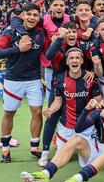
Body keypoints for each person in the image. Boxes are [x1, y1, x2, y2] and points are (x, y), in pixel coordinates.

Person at [21, 82, 104, 182]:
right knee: (76, 138)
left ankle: (78, 179)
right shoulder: (101, 110)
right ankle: (45, 174)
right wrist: (86, 109)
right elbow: (79, 128)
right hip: (103, 153)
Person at [0, 3, 48, 163]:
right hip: (12, 79)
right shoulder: (9, 31)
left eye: (35, 15)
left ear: (39, 17)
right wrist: (18, 49)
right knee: (9, 113)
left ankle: (34, 147)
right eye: (28, 14)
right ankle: (5, 149)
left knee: (37, 112)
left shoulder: (41, 31)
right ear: (23, 15)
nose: (31, 18)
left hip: (34, 79)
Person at [38, 22, 94, 166]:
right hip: (59, 85)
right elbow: (49, 55)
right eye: (68, 32)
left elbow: (92, 60)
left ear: (77, 33)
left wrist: (92, 72)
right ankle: (45, 153)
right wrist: (58, 38)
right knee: (52, 116)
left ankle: (92, 144)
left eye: (74, 32)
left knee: (87, 112)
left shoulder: (82, 46)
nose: (71, 34)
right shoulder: (59, 46)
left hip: (80, 84)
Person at [43, 47, 102, 150]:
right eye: (71, 58)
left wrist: (95, 104)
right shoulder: (60, 79)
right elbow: (58, 101)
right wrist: (50, 110)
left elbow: (99, 100)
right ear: (67, 61)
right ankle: (59, 138)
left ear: (82, 60)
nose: (74, 60)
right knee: (61, 155)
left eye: (77, 58)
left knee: (92, 156)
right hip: (67, 126)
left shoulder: (90, 79)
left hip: (86, 125)